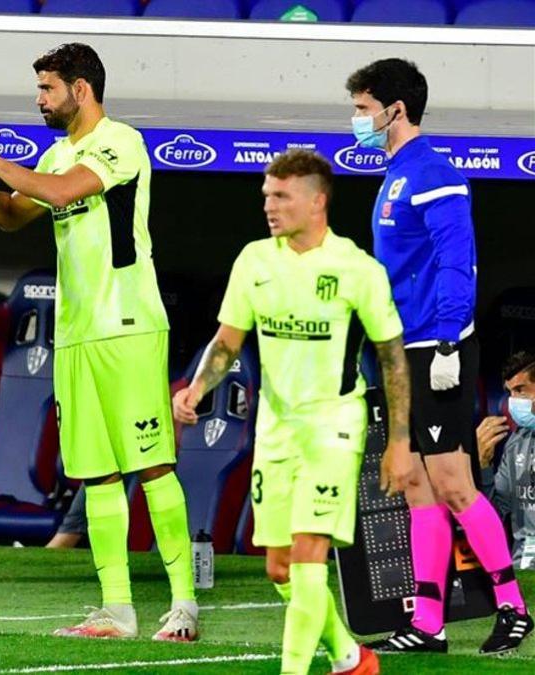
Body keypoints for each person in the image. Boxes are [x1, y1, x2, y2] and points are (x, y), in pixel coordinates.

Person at [0, 42, 197, 641]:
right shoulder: (56, 153)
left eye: (47, 89)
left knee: (152, 466)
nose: (39, 100)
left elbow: (59, 193)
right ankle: (119, 611)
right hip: (76, 335)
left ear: (81, 89)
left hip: (128, 325)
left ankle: (184, 605)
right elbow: (6, 214)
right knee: (96, 474)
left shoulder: (119, 142)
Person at [174, 149, 405, 675]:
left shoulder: (356, 269)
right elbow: (228, 341)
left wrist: (397, 442)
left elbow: (391, 356)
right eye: (266, 196)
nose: (269, 206)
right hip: (275, 429)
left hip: (334, 427)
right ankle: (351, 658)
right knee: (279, 568)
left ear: (317, 201)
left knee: (306, 562)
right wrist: (195, 389)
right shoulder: (254, 261)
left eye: (282, 196)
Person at [345, 58, 532, 655]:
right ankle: (428, 624)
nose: (357, 120)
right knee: (420, 489)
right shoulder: (395, 174)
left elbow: (458, 260)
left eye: (363, 108)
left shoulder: (435, 174)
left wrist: (451, 338)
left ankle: (513, 610)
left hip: (436, 349)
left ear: (395, 110)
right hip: (403, 351)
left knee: (454, 484)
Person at [479, 351, 535, 570]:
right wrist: (483, 464)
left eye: (520, 390)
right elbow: (492, 516)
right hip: (526, 565)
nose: (513, 401)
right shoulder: (516, 441)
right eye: (509, 392)